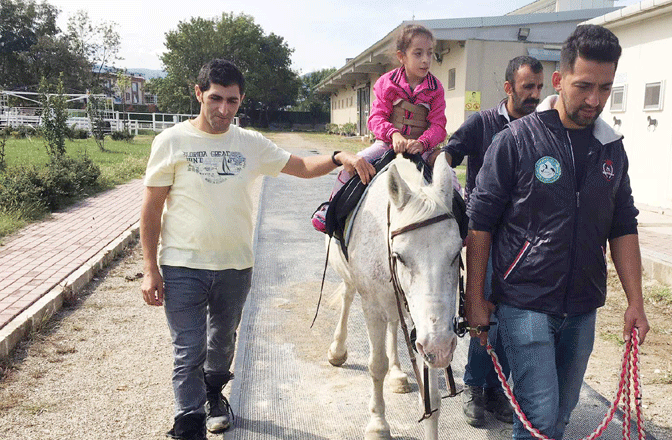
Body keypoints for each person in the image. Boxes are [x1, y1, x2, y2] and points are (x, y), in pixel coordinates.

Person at [139, 59, 374, 440]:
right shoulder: (171, 142)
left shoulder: (248, 143)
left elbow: (299, 165)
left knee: (222, 342)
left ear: (240, 100)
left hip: (235, 266)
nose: (223, 109)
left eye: (232, 101)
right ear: (199, 94)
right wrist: (151, 268)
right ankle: (188, 423)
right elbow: (150, 209)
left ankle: (215, 396)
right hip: (183, 266)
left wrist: (336, 157)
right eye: (215, 98)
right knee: (189, 350)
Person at [464, 25, 650, 440]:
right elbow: (480, 224)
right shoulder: (516, 140)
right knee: (540, 417)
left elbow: (623, 225)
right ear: (558, 80)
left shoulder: (611, 148)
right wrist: (474, 299)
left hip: (583, 306)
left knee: (562, 415)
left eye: (605, 87)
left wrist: (636, 301)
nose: (594, 100)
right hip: (524, 301)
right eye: (583, 86)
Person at [442, 55, 545, 427]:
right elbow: (449, 153)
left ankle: (498, 390)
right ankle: (474, 386)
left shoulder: (541, 130)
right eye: (527, 87)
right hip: (485, 238)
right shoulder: (482, 123)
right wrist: (443, 186)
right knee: (483, 311)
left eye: (539, 87)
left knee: (511, 317)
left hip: (523, 244)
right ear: (508, 88)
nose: (535, 94)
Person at [312, 23, 446, 232]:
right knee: (355, 165)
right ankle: (330, 208)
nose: (425, 60)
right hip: (387, 145)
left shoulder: (436, 88)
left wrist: (423, 142)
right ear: (401, 56)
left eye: (429, 53)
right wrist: (393, 135)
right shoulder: (386, 83)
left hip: (423, 148)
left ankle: (461, 221)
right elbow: (376, 117)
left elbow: (439, 125)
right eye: (418, 53)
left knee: (449, 176)